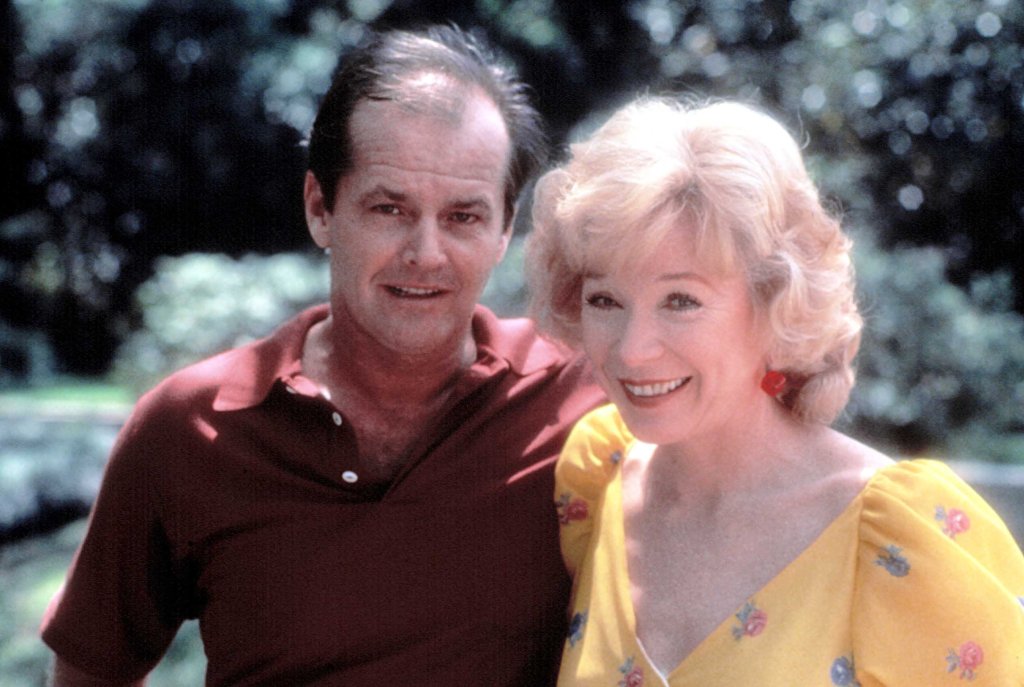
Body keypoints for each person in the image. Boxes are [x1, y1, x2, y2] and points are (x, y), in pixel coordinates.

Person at [40, 25, 605, 686]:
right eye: (389, 208)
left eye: (463, 216)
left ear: (506, 228)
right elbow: (89, 672)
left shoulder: (586, 401)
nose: (426, 252)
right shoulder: (188, 427)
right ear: (320, 208)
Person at [525, 96, 1024, 686]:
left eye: (680, 300)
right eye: (605, 300)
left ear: (775, 305)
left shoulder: (898, 532)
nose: (632, 349)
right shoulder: (596, 476)